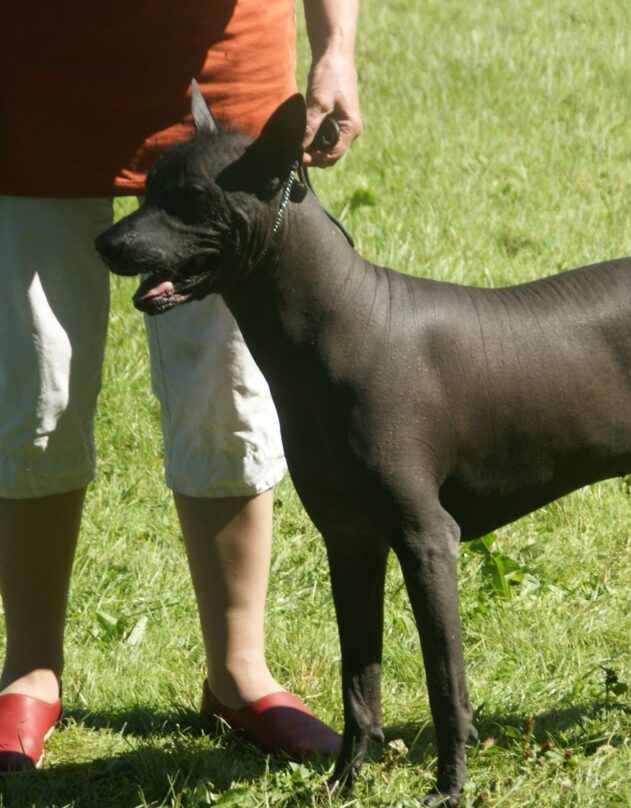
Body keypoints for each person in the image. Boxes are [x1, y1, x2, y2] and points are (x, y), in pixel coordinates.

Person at [0, 0, 362, 770]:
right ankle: (28, 668)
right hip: (35, 62)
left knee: (228, 382)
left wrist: (336, 47)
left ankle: (239, 673)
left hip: (225, 70)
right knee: (38, 383)